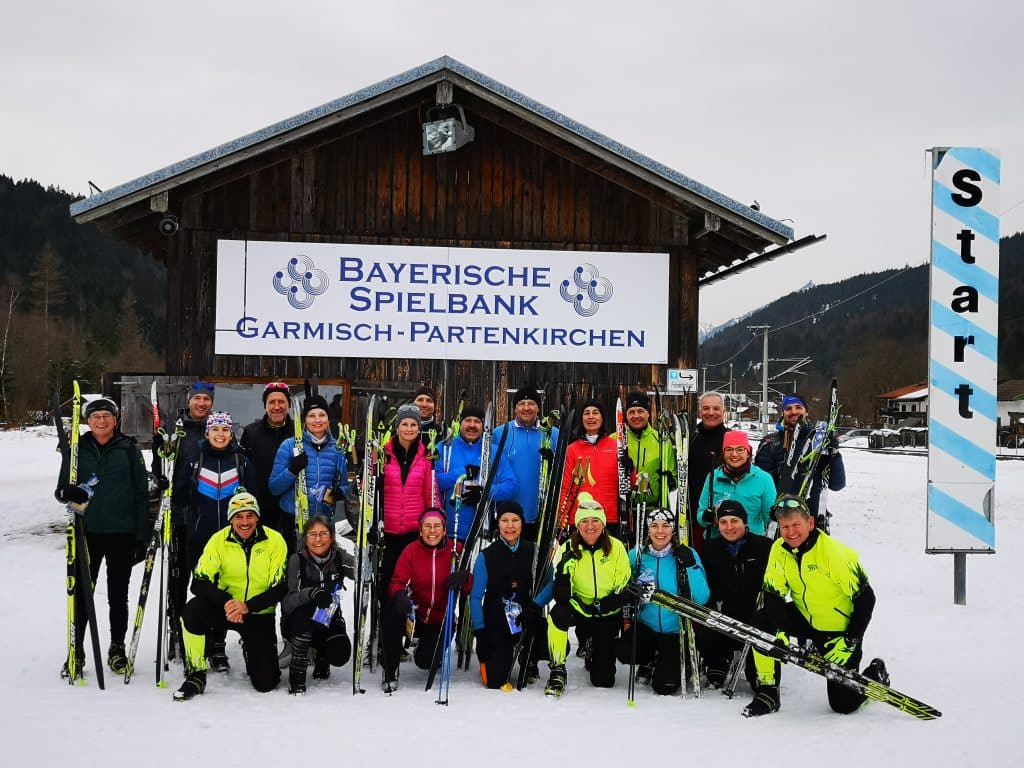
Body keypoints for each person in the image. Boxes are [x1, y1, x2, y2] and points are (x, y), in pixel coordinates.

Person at [743, 494, 888, 717]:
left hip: (837, 631)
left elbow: (866, 598)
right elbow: (773, 594)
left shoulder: (833, 552)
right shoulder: (779, 549)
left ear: (810, 523)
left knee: (842, 704)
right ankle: (767, 691)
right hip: (805, 617)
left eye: (796, 525)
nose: (790, 532)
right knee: (761, 619)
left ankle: (875, 674)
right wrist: (781, 630)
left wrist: (851, 640)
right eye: (785, 526)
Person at [55, 397, 149, 678]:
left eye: (107, 416)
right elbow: (61, 490)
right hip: (87, 533)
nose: (102, 421)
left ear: (116, 420)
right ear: (88, 421)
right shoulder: (76, 449)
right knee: (83, 594)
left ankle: (117, 648)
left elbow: (141, 494)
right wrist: (67, 493)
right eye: (96, 417)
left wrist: (141, 537)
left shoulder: (129, 449)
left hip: (122, 533)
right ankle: (77, 651)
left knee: (118, 596)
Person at [174, 491, 288, 701]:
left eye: (250, 515)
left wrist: (248, 606)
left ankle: (250, 648)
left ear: (257, 517)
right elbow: (198, 582)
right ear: (230, 519)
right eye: (238, 516)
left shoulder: (275, 540)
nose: (244, 522)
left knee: (266, 683)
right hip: (225, 608)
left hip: (258, 613)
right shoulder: (219, 540)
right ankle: (196, 673)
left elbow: (279, 588)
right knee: (192, 611)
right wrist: (227, 602)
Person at [173, 410, 256, 672]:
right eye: (215, 430)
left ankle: (218, 644)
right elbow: (179, 497)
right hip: (200, 538)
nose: (220, 434)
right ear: (207, 432)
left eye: (225, 430)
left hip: (232, 541)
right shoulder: (194, 461)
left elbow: (254, 499)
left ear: (231, 433)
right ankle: (200, 640)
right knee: (204, 590)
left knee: (226, 590)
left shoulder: (241, 462)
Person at [544, 493, 635, 696]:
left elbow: (624, 589)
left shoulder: (616, 548)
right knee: (558, 614)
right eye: (584, 521)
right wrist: (563, 572)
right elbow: (561, 597)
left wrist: (604, 606)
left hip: (607, 612)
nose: (590, 526)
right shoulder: (568, 547)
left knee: (603, 681)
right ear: (577, 525)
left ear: (603, 524)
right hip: (580, 609)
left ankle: (593, 645)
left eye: (595, 520)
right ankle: (557, 669)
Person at [617, 508, 710, 695]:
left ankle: (679, 662)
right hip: (646, 626)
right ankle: (649, 660)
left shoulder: (687, 553)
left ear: (672, 529)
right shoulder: (637, 555)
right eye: (654, 526)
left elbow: (702, 597)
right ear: (648, 529)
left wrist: (690, 565)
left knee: (664, 687)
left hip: (675, 630)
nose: (660, 531)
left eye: (665, 526)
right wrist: (632, 591)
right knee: (624, 651)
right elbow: (622, 587)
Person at [382, 508, 471, 692]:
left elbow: (470, 587)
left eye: (437, 526)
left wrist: (465, 578)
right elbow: (397, 582)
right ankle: (390, 670)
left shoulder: (455, 550)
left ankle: (428, 651)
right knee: (391, 609)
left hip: (439, 620)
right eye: (427, 526)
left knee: (425, 661)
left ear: (444, 530)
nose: (432, 530)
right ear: (420, 530)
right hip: (415, 615)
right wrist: (399, 595)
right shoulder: (411, 551)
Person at [469, 501, 552, 689]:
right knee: (494, 681)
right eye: (504, 520)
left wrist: (535, 605)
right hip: (497, 622)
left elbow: (551, 583)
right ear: (498, 524)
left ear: (522, 523)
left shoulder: (534, 551)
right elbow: (475, 597)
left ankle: (529, 659)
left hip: (526, 617)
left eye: (515, 520)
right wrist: (480, 632)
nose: (510, 525)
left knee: (547, 642)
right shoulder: (486, 556)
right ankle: (500, 655)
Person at [698, 499, 771, 689]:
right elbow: (705, 587)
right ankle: (718, 660)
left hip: (754, 614)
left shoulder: (764, 546)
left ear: (744, 522)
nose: (729, 527)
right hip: (724, 612)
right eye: (723, 522)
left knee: (757, 682)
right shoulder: (710, 548)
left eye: (734, 521)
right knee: (705, 621)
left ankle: (755, 665)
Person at [281, 515, 354, 694]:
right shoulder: (297, 560)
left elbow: (362, 570)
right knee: (303, 621)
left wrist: (367, 550)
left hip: (328, 618)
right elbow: (288, 603)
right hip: (300, 621)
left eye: (323, 534)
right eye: (313, 534)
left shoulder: (339, 557)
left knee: (341, 654)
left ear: (332, 537)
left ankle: (322, 656)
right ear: (305, 538)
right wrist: (311, 593)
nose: (318, 539)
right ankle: (297, 673)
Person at [268, 392, 349, 549]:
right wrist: (292, 470)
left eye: (322, 415)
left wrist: (339, 493)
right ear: (304, 420)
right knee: (294, 562)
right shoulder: (289, 446)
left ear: (328, 419)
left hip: (323, 523)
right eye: (312, 415)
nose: (317, 420)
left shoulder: (337, 449)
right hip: (293, 520)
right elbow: (274, 487)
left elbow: (344, 485)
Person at [754, 393, 846, 529]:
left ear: (806, 412)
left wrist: (834, 454)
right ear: (783, 413)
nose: (794, 412)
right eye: (788, 408)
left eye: (798, 407)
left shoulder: (819, 443)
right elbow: (759, 486)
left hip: (812, 520)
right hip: (780, 522)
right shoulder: (770, 443)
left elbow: (837, 485)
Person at [378, 404, 435, 609]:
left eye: (413, 425)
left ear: (419, 428)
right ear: (397, 427)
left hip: (413, 531)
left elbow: (430, 492)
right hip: (388, 531)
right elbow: (373, 490)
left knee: (411, 580)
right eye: (404, 424)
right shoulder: (383, 454)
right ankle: (386, 620)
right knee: (387, 579)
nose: (409, 429)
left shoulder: (426, 456)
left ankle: (408, 621)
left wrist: (432, 522)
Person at [436, 404, 517, 542]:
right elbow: (433, 482)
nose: (472, 425)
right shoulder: (444, 448)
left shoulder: (492, 451)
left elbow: (511, 486)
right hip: (448, 531)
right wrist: (462, 473)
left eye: (477, 421)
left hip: (481, 532)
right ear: (460, 423)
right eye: (468, 420)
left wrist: (484, 492)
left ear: (483, 425)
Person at [493, 385, 558, 542]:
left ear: (538, 408)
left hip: (541, 513)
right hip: (509, 515)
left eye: (531, 404)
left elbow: (563, 470)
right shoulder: (500, 433)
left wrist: (553, 462)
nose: (526, 408)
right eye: (521, 404)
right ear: (515, 408)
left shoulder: (553, 433)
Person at [559, 399, 621, 535]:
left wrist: (630, 468)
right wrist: (563, 517)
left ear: (602, 418)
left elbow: (627, 483)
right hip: (581, 516)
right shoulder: (572, 450)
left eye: (595, 413)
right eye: (587, 413)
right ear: (582, 419)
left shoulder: (616, 446)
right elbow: (566, 487)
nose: (591, 417)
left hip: (609, 516)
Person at [697, 430, 776, 538]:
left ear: (748, 453)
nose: (734, 454)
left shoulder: (763, 479)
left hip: (751, 542)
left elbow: (771, 519)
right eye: (729, 450)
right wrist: (708, 517)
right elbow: (701, 515)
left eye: (740, 449)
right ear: (723, 453)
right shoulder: (713, 476)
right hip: (718, 541)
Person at [240, 382, 294, 535]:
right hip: (260, 507)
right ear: (265, 406)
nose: (277, 407)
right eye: (272, 402)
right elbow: (242, 469)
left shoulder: (299, 432)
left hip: (291, 507)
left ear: (289, 405)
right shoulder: (251, 432)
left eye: (281, 401)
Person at [688, 392, 728, 553]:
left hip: (725, 518)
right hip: (695, 515)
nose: (711, 412)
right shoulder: (691, 439)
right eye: (706, 408)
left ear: (723, 411)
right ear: (700, 411)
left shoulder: (730, 439)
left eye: (716, 408)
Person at [622, 390, 675, 510]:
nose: (636, 416)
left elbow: (674, 477)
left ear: (648, 414)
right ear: (626, 415)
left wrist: (670, 480)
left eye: (640, 411)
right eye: (631, 412)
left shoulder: (661, 440)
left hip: (653, 509)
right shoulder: (616, 439)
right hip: (623, 510)